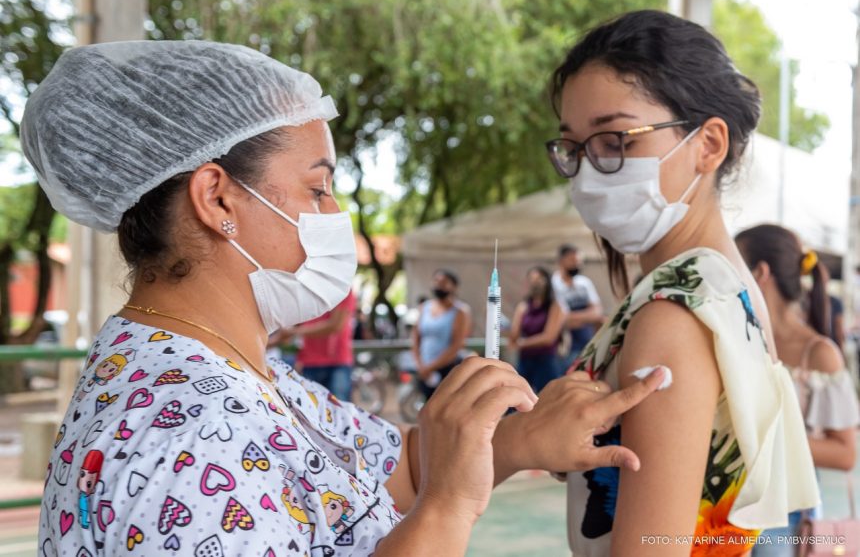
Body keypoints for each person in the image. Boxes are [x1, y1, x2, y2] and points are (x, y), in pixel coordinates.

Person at [25, 40, 669, 556]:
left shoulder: (236, 371)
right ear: (217, 197)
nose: (339, 215)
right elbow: (429, 490)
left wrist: (522, 437)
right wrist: (448, 509)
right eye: (317, 189)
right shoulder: (183, 445)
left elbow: (387, 473)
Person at [545, 10, 819, 556]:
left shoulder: (674, 313)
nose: (591, 171)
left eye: (616, 139)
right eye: (575, 148)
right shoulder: (722, 286)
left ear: (708, 145)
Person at [735, 224, 859, 555]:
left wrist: (758, 435)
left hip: (784, 509)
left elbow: (845, 454)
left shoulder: (819, 354)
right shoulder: (739, 340)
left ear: (760, 272)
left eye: (734, 265)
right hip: (728, 500)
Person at [272, 289, 357, 400]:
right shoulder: (309, 288)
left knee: (336, 411)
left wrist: (294, 332)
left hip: (335, 363)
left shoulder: (342, 288)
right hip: (309, 362)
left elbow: (335, 326)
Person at [411, 269, 471, 398]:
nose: (439, 285)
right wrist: (420, 365)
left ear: (453, 287)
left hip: (447, 368)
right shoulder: (424, 308)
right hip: (424, 367)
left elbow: (456, 345)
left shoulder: (460, 312)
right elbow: (416, 337)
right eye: (436, 281)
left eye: (443, 282)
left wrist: (431, 367)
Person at [509, 267, 564, 393]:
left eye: (539, 279)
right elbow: (514, 335)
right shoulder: (523, 307)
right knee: (518, 397)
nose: (535, 283)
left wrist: (522, 343)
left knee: (546, 398)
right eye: (532, 279)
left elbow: (549, 338)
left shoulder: (555, 306)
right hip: (525, 360)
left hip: (546, 360)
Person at [552, 244, 604, 367]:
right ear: (561, 261)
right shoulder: (553, 284)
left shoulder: (584, 283)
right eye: (573, 260)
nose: (578, 264)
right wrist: (587, 318)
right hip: (565, 348)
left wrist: (572, 318)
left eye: (579, 261)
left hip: (587, 344)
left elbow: (597, 313)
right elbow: (560, 318)